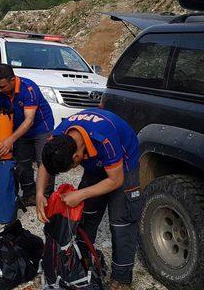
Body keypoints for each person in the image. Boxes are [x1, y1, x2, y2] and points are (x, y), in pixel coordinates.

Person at [36, 108, 141, 290]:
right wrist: (39, 194)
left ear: (76, 157)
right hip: (96, 163)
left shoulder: (104, 138)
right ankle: (82, 263)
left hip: (123, 165)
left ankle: (122, 278)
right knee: (86, 215)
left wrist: (81, 193)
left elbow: (115, 180)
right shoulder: (60, 136)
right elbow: (46, 164)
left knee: (121, 221)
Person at [0, 64, 54, 206]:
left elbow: (29, 120)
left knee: (44, 161)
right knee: (22, 162)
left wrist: (9, 140)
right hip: (20, 129)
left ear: (13, 80)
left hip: (40, 128)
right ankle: (30, 194)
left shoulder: (28, 88)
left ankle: (47, 195)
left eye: (3, 86)